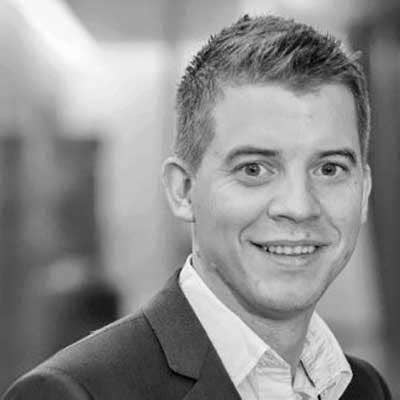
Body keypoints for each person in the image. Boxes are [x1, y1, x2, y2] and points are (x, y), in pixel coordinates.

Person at [3, 14, 392, 400]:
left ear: (365, 192)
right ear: (183, 190)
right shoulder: (70, 393)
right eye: (254, 169)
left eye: (329, 169)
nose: (299, 206)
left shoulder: (364, 388)